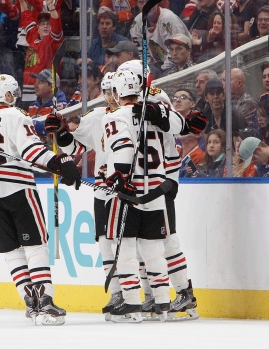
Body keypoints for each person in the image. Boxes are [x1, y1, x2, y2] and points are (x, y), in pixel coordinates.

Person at [0, 73, 80, 326]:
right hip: (18, 188)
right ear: (8, 95)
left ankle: (29, 301)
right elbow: (31, 151)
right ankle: (45, 301)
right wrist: (60, 161)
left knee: (12, 251)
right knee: (35, 246)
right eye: (14, 93)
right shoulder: (16, 115)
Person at [47, 71, 123, 320]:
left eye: (116, 91)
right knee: (105, 242)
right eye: (108, 91)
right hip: (104, 189)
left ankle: (144, 294)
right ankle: (117, 293)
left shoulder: (135, 116)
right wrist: (60, 131)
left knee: (134, 244)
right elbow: (75, 147)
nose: (112, 97)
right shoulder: (97, 116)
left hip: (128, 188)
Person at [101, 70, 171, 323]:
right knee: (153, 250)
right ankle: (162, 302)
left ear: (118, 93)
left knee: (125, 249)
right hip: (155, 189)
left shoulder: (115, 116)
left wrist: (119, 176)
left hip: (129, 192)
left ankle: (132, 303)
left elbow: (123, 147)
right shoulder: (152, 113)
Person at [130, 0, 190, 71]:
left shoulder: (168, 18)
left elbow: (177, 52)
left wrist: (161, 70)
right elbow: (141, 52)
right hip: (160, 65)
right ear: (137, 5)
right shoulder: (137, 23)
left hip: (182, 64)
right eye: (141, 2)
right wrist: (149, 70)